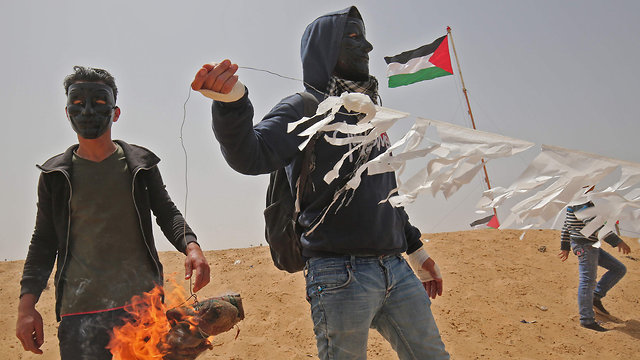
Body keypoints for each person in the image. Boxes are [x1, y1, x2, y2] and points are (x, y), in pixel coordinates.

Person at [191, 6, 449, 359]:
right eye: (353, 37)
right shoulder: (305, 107)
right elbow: (251, 154)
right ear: (326, 49)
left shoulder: (371, 116)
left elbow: (387, 196)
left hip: (396, 269)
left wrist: (417, 253)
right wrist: (232, 104)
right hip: (339, 274)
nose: (368, 47)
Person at [16, 66, 211, 359]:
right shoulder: (55, 176)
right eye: (78, 104)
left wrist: (192, 247)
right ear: (68, 113)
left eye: (99, 103)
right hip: (80, 314)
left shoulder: (140, 165)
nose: (88, 112)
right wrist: (26, 308)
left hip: (141, 309)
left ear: (116, 112)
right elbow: (43, 242)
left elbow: (166, 212)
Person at [558, 198, 630, 332]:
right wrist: (617, 241)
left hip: (591, 246)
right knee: (588, 281)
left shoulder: (581, 203)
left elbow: (566, 226)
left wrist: (565, 247)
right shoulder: (580, 204)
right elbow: (594, 227)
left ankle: (595, 297)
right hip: (585, 247)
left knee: (619, 269)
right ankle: (587, 320)